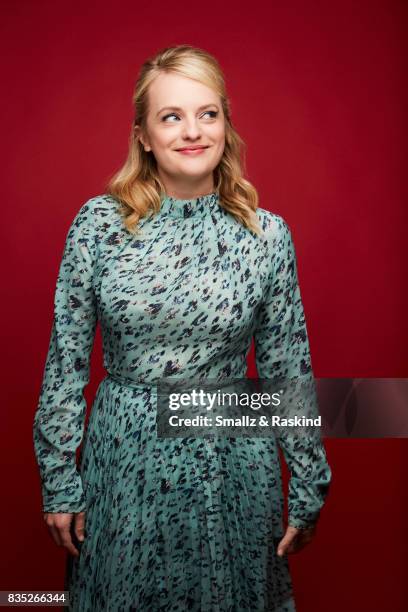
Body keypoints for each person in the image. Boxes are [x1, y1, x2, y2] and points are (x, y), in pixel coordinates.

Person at [33, 44, 332, 611]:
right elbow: (65, 365)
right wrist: (58, 477)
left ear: (225, 124)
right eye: (171, 116)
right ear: (143, 135)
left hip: (234, 462)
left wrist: (310, 480)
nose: (192, 131)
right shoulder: (99, 226)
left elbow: (287, 369)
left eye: (208, 113)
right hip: (125, 457)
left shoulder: (265, 236)